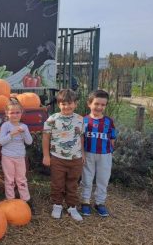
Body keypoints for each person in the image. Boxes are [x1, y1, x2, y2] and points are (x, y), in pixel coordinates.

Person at [42, 89, 85, 221]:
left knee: (72, 183)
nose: (66, 106)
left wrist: (82, 153)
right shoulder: (52, 119)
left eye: (70, 103)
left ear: (75, 104)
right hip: (57, 159)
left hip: (75, 159)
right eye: (63, 104)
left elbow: (81, 137)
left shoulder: (80, 119)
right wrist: (46, 155)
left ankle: (72, 206)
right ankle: (57, 204)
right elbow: (45, 137)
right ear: (59, 104)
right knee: (57, 183)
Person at [80, 90, 116, 217]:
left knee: (103, 179)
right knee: (87, 178)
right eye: (96, 104)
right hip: (88, 153)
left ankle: (100, 202)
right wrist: (82, 154)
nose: (99, 107)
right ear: (89, 104)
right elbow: (81, 138)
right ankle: (85, 202)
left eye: (103, 105)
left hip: (104, 155)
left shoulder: (108, 121)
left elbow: (112, 138)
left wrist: (110, 152)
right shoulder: (83, 120)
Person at [0, 100, 33, 204]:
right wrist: (11, 134)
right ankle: (11, 201)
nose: (15, 115)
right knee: (9, 179)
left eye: (17, 112)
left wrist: (24, 133)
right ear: (7, 113)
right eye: (12, 113)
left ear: (21, 113)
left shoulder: (24, 127)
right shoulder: (5, 126)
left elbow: (29, 142)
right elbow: (1, 142)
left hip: (20, 157)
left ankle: (26, 200)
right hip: (7, 156)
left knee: (21, 179)